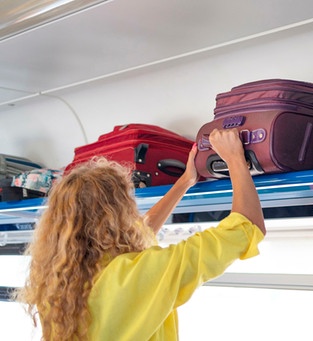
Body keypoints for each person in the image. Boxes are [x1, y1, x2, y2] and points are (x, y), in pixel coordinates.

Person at [15, 128, 266, 340]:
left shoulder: (60, 283)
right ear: (119, 214)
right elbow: (248, 226)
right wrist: (234, 160)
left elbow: (142, 232)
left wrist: (185, 182)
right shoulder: (136, 274)